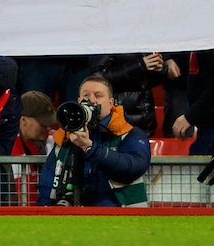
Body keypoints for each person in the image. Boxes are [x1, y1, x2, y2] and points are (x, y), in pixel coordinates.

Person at [36, 73, 151, 206]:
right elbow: (47, 186)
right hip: (73, 217)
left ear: (111, 103)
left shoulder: (129, 134)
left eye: (98, 95)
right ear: (79, 100)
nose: (91, 100)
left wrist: (90, 148)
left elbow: (132, 168)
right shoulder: (66, 137)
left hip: (122, 218)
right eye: (86, 95)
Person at [14, 90, 56, 155]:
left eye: (49, 123)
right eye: (43, 123)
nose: (49, 128)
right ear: (24, 120)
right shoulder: (5, 145)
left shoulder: (55, 142)